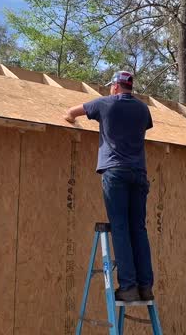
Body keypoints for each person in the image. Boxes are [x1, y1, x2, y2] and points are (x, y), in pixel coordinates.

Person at [64, 71, 154, 302]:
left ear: (115, 86)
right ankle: (145, 286)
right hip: (139, 174)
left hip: (116, 172)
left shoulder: (105, 104)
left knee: (121, 228)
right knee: (138, 229)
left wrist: (70, 120)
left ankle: (128, 287)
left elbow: (72, 113)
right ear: (129, 87)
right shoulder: (143, 109)